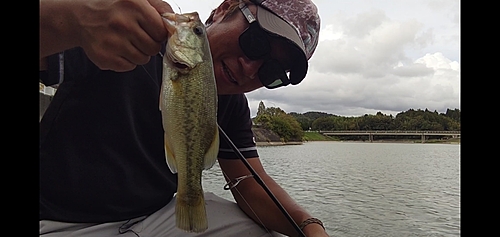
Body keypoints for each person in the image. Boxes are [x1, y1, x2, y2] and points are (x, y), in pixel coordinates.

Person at [39, 0, 326, 236]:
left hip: (157, 217)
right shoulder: (125, 36)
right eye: (256, 42)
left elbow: (251, 183)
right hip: (61, 220)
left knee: (267, 233)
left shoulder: (231, 103)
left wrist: (309, 226)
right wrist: (74, 21)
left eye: (272, 71)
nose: (250, 69)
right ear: (224, 9)